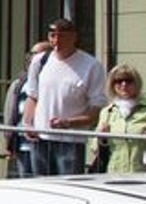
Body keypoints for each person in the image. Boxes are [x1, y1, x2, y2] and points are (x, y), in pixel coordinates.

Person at [25, 18, 108, 175]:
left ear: (74, 37)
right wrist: (28, 124)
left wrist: (68, 123)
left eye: (62, 35)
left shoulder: (91, 65)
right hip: (40, 139)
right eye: (52, 35)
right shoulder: (40, 61)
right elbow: (32, 95)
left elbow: (96, 107)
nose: (56, 40)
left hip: (71, 141)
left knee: (68, 186)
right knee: (41, 188)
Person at [91, 65, 146, 173]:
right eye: (118, 81)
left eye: (129, 81)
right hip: (115, 173)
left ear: (137, 83)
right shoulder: (107, 112)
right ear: (112, 85)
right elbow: (95, 149)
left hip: (145, 173)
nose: (124, 84)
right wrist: (101, 138)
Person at [3, 41, 52, 176]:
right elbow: (10, 112)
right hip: (21, 144)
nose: (33, 58)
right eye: (32, 54)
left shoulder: (50, 82)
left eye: (38, 54)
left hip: (42, 143)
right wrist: (9, 140)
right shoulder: (18, 83)